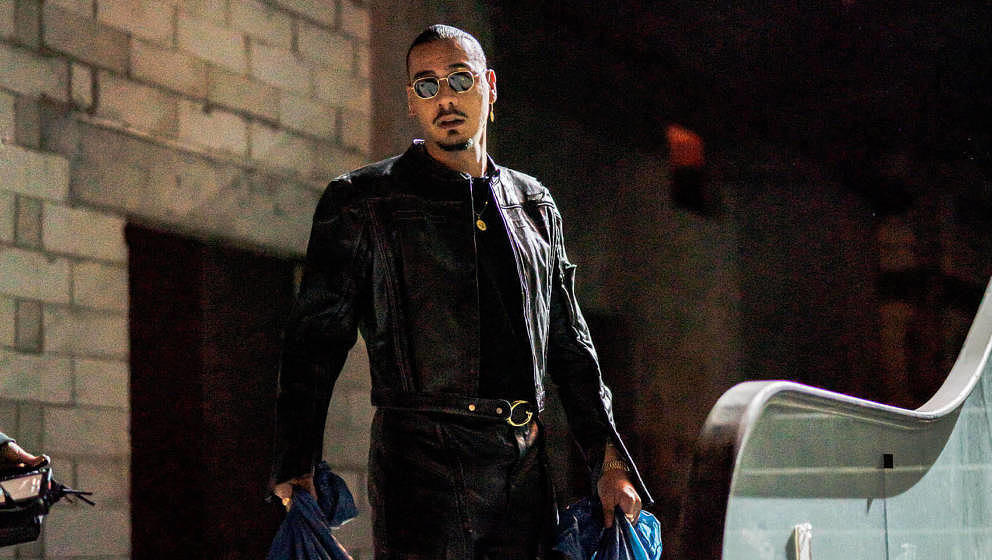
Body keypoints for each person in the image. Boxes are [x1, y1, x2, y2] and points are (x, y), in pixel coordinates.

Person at [270, 24, 652, 559]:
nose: (445, 98)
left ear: (489, 87)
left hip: (523, 470)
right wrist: (297, 463)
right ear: (412, 102)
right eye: (426, 85)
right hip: (419, 474)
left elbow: (570, 345)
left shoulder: (534, 205)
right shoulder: (363, 201)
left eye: (459, 79)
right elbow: (314, 342)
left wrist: (610, 463)